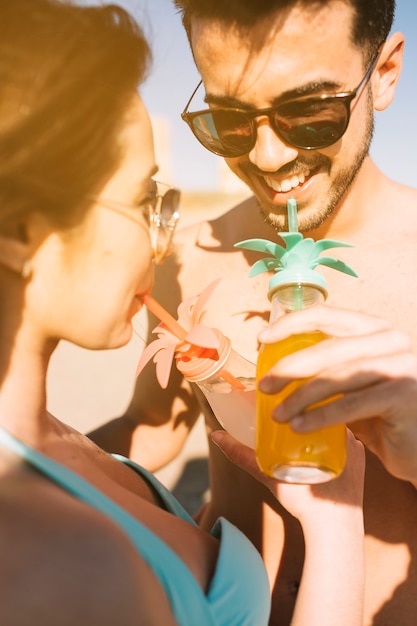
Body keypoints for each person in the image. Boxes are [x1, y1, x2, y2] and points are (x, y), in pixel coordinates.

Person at [0, 1, 366, 624]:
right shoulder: (65, 561)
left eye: (308, 111)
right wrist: (337, 523)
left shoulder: (55, 443)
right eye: (144, 198)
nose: (161, 238)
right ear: (20, 230)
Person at [90, 0, 417, 624]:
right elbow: (153, 426)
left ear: (385, 73)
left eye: (311, 112)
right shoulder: (187, 256)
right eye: (230, 121)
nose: (266, 159)